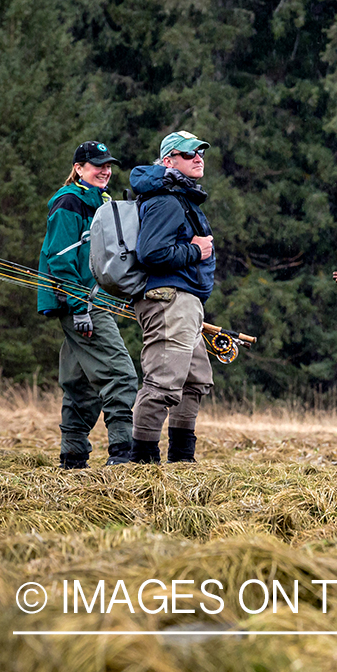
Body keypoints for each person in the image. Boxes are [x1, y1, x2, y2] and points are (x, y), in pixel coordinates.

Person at [37, 141, 138, 469]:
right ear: (79, 168)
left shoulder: (102, 201)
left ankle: (73, 458)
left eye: (108, 165)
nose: (105, 171)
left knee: (80, 383)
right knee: (120, 374)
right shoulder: (69, 201)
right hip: (82, 304)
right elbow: (59, 258)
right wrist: (79, 306)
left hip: (96, 301)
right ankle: (122, 454)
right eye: (97, 165)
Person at [127, 131, 216, 464]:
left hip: (186, 302)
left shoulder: (180, 196)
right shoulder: (166, 199)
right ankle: (143, 463)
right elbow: (152, 253)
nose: (198, 158)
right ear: (168, 161)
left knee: (195, 381)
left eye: (200, 153)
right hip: (169, 301)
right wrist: (196, 250)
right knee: (163, 383)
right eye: (189, 153)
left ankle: (182, 460)